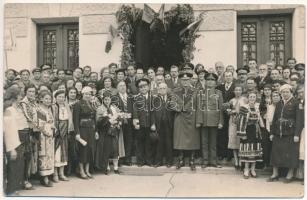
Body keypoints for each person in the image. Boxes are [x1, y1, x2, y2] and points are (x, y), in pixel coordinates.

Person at [268, 84, 298, 183]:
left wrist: (297, 134)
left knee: (290, 154)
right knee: (275, 153)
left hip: (290, 133)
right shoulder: (279, 103)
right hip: (278, 132)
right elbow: (275, 118)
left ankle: (290, 175)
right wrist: (272, 133)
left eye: (287, 92)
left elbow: (298, 120)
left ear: (291, 92)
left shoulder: (295, 103)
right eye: (283, 92)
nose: (285, 94)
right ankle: (275, 174)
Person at [171, 71, 200, 171]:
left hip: (192, 117)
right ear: (180, 80)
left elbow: (198, 105)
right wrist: (180, 108)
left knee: (192, 138)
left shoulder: (195, 90)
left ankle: (192, 159)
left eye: (187, 79)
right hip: (180, 116)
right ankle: (181, 159)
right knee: (180, 139)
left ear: (190, 80)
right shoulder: (175, 91)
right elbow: (172, 103)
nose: (185, 81)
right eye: (183, 80)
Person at [3, 86, 28, 194]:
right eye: (20, 95)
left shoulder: (15, 108)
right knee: (12, 167)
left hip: (17, 140)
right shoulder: (9, 110)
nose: (21, 97)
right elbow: (8, 130)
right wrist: (12, 148)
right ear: (15, 97)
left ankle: (13, 189)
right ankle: (10, 191)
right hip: (12, 142)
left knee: (16, 166)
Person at [196, 73, 224, 168]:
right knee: (204, 142)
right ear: (205, 81)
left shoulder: (218, 93)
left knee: (213, 142)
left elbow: (220, 108)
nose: (210, 82)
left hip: (214, 121)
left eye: (212, 80)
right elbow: (199, 108)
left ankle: (213, 161)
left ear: (215, 82)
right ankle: (205, 161)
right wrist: (199, 121)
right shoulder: (201, 92)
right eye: (208, 80)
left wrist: (220, 122)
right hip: (203, 121)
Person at [237, 92, 264, 179]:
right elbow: (240, 121)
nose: (252, 98)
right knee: (248, 151)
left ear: (256, 98)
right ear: (248, 98)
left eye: (254, 97)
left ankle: (253, 170)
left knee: (255, 150)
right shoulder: (244, 107)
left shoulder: (257, 107)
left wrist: (262, 129)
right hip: (247, 131)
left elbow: (259, 120)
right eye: (251, 97)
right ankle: (246, 169)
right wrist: (242, 134)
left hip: (255, 131)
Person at [96, 91, 122, 174]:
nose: (107, 101)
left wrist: (118, 122)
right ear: (103, 100)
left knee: (115, 149)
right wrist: (107, 119)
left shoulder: (114, 107)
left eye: (109, 99)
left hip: (114, 130)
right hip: (105, 131)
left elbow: (119, 117)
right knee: (106, 149)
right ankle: (106, 167)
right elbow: (98, 121)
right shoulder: (100, 108)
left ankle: (115, 167)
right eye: (105, 99)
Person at [73, 86, 96, 179]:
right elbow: (75, 120)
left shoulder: (92, 104)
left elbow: (94, 119)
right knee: (83, 150)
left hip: (91, 129)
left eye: (89, 94)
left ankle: (87, 170)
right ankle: (81, 170)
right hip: (82, 129)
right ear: (82, 94)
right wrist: (77, 133)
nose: (88, 95)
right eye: (86, 94)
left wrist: (96, 131)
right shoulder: (78, 104)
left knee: (90, 149)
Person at [19, 84, 40, 190]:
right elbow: (27, 117)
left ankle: (28, 178)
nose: (32, 93)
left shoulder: (34, 103)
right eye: (30, 91)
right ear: (26, 92)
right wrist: (36, 126)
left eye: (33, 91)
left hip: (33, 131)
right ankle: (24, 180)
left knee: (31, 155)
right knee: (26, 155)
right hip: (25, 132)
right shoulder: (24, 103)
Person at [133, 78, 156, 167]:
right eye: (141, 87)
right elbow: (135, 112)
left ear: (148, 87)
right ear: (139, 89)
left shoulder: (152, 97)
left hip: (149, 124)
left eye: (145, 86)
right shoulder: (137, 98)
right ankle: (140, 161)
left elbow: (154, 112)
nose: (143, 88)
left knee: (149, 143)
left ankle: (149, 160)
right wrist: (136, 123)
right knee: (139, 143)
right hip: (140, 124)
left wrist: (153, 123)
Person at [52, 90, 73, 182]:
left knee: (64, 153)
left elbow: (69, 120)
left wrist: (68, 130)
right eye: (59, 97)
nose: (61, 99)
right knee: (56, 154)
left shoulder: (66, 107)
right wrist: (56, 131)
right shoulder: (53, 107)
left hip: (65, 133)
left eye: (63, 97)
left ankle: (62, 173)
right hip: (57, 133)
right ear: (55, 98)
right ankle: (55, 174)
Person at [112, 81, 134, 166]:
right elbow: (114, 110)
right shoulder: (115, 98)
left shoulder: (130, 97)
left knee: (129, 140)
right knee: (120, 141)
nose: (122, 87)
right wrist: (121, 116)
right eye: (120, 86)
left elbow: (134, 108)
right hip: (120, 122)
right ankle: (120, 159)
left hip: (129, 122)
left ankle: (128, 159)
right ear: (117, 88)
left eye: (124, 85)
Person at [152, 83, 174, 168]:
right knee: (159, 144)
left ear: (167, 89)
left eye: (164, 88)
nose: (162, 90)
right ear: (158, 90)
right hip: (159, 124)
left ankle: (169, 161)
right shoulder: (155, 99)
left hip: (169, 124)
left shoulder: (171, 98)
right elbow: (152, 112)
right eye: (160, 88)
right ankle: (158, 161)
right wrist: (153, 123)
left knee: (169, 143)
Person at [36, 90, 55, 187]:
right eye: (46, 99)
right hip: (43, 135)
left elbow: (51, 121)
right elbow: (40, 125)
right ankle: (44, 178)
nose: (48, 100)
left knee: (49, 155)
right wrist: (47, 133)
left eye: (49, 99)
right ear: (41, 99)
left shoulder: (49, 109)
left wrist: (53, 128)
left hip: (50, 135)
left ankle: (49, 174)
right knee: (43, 155)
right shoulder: (39, 110)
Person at [216, 71, 235, 163]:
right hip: (221, 114)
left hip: (231, 114)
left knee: (230, 134)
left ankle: (229, 155)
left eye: (229, 76)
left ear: (232, 76)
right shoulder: (219, 87)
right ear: (224, 77)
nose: (228, 77)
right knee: (221, 134)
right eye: (226, 76)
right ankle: (221, 154)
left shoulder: (235, 87)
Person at [227, 84, 247, 170]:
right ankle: (236, 160)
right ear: (234, 91)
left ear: (242, 91)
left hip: (242, 122)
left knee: (241, 141)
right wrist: (230, 111)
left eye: (239, 90)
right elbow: (228, 110)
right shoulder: (231, 101)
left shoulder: (245, 100)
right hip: (233, 122)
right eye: (236, 90)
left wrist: (239, 111)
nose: (238, 91)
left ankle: (241, 160)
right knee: (233, 140)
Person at [66, 87, 79, 176]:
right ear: (68, 93)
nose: (73, 94)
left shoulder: (79, 103)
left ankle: (76, 168)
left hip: (76, 127)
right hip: (66, 128)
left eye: (74, 92)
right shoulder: (64, 103)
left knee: (76, 149)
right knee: (67, 148)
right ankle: (68, 169)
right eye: (71, 92)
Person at [259, 84, 273, 169]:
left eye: (268, 90)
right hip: (263, 123)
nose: (267, 91)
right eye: (265, 90)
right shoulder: (262, 100)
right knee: (264, 143)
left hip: (272, 123)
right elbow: (259, 111)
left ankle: (271, 163)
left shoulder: (274, 99)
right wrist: (263, 114)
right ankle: (265, 162)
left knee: (272, 143)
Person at [294, 85, 304, 183]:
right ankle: (301, 175)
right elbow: (299, 119)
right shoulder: (299, 103)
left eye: (302, 92)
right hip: (303, 129)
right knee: (302, 153)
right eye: (299, 93)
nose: (301, 94)